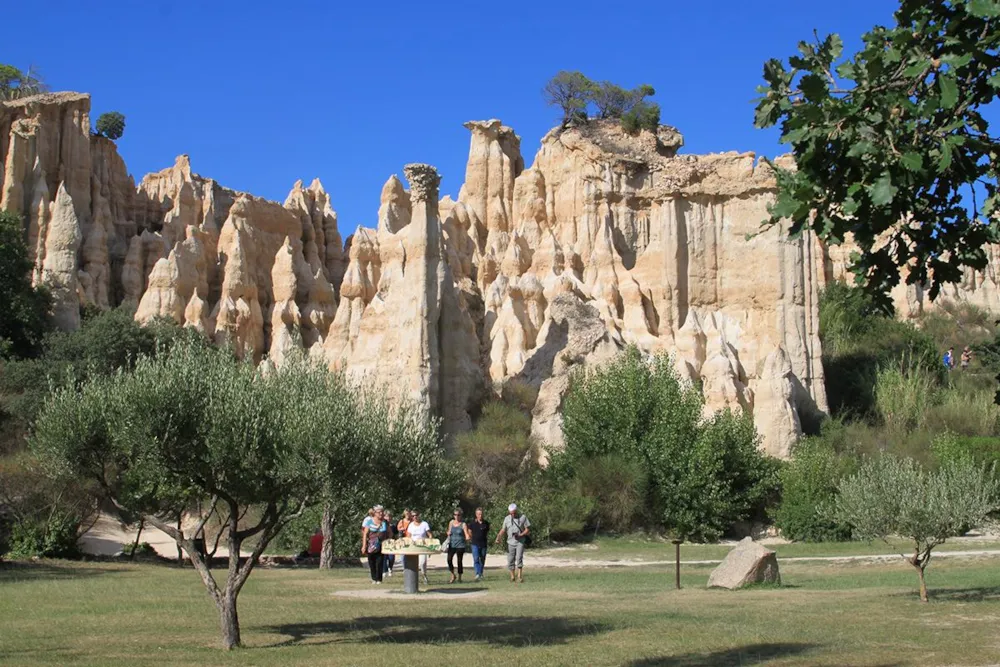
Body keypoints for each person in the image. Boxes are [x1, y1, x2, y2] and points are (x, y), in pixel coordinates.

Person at [495, 503, 530, 583]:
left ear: (516, 511)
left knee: (519, 558)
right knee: (510, 559)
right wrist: (498, 537)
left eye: (514, 513)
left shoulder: (523, 517)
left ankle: (520, 576)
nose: (513, 514)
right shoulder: (506, 519)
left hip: (520, 542)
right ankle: (512, 576)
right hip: (510, 542)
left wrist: (520, 535)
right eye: (511, 513)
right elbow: (503, 529)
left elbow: (527, 530)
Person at [361, 506, 388, 585]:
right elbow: (365, 534)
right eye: (379, 512)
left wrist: (390, 540)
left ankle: (379, 579)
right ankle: (374, 578)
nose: (381, 513)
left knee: (379, 562)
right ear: (375, 513)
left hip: (381, 545)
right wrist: (363, 546)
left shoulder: (385, 522)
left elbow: (389, 533)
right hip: (371, 545)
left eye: (382, 511)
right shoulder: (369, 522)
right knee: (371, 562)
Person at [445, 509, 473, 583]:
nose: (456, 516)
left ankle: (460, 577)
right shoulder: (451, 522)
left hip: (460, 545)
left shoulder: (463, 524)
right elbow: (448, 531)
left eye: (458, 515)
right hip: (452, 544)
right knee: (449, 559)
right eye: (455, 515)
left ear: (461, 515)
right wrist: (448, 533)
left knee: (459, 561)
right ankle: (452, 574)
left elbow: (466, 533)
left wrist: (467, 537)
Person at [405, 509, 433, 584]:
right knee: (413, 563)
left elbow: (429, 534)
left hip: (422, 546)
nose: (415, 517)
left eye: (416, 515)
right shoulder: (411, 525)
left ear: (419, 515)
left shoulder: (424, 524)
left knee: (422, 562)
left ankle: (424, 576)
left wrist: (430, 543)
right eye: (413, 516)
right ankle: (414, 579)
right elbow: (408, 536)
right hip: (413, 546)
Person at [467, 507, 490, 581]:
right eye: (479, 514)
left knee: (482, 559)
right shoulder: (472, 523)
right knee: (476, 558)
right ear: (476, 515)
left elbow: (487, 532)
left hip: (483, 544)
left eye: (481, 514)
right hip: (475, 543)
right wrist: (471, 538)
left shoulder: (486, 523)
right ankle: (477, 574)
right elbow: (469, 531)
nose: (480, 515)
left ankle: (481, 573)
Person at [383, 510, 398, 577]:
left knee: (391, 558)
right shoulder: (382, 525)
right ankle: (384, 570)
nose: (388, 518)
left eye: (389, 516)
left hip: (391, 543)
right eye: (387, 516)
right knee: (384, 557)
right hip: (384, 543)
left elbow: (396, 535)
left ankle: (390, 568)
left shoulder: (393, 526)